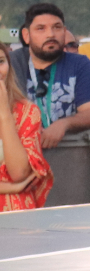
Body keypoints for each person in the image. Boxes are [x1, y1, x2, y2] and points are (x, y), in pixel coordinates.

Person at [15, 4, 90, 148]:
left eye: (57, 27)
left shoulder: (80, 64)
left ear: (64, 31)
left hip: (70, 154)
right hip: (19, 156)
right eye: (40, 28)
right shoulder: (11, 64)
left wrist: (64, 124)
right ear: (26, 36)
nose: (50, 34)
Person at [0, 41, 53, 211]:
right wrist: (9, 187)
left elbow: (20, 174)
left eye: (0, 61)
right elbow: (17, 183)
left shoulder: (27, 112)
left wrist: (4, 115)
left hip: (16, 214)